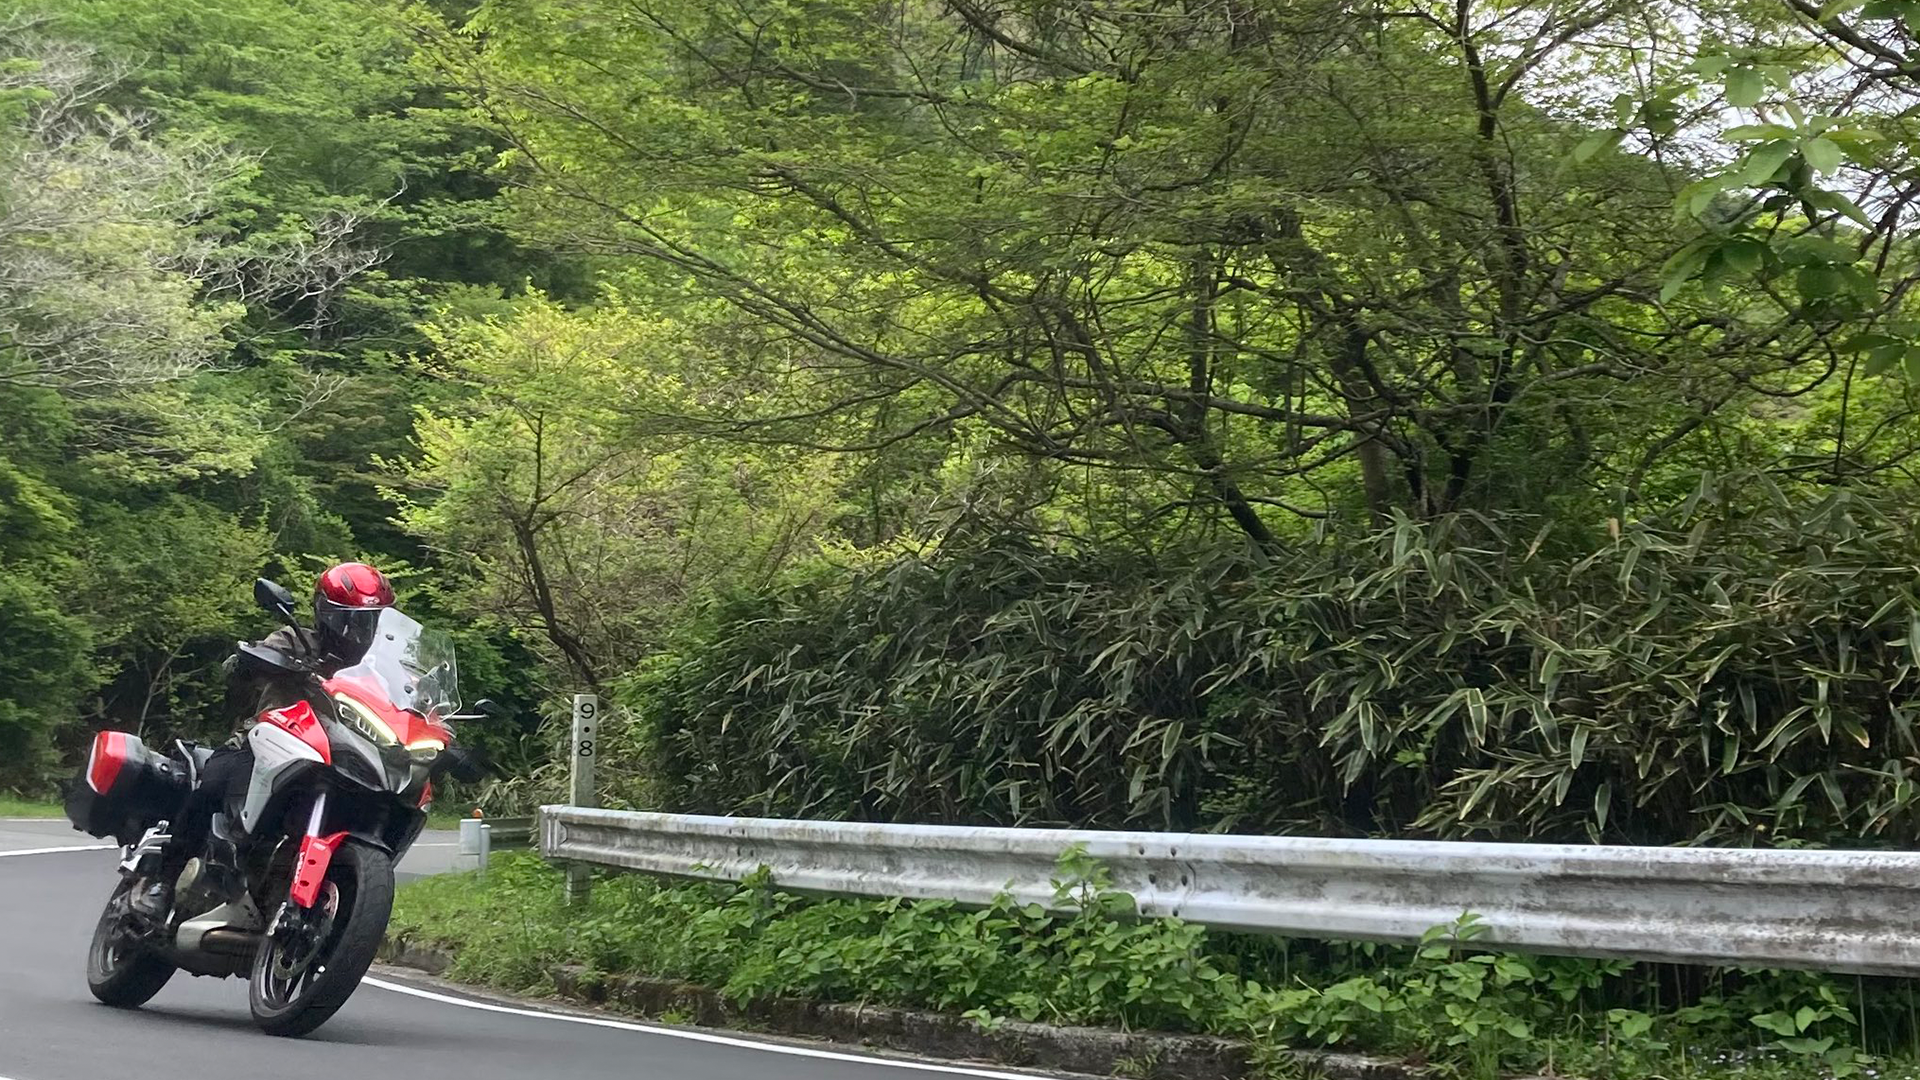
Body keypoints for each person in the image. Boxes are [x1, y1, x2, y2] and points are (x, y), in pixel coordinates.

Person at [134, 563, 396, 920]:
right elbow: (243, 665)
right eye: (351, 619)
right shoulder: (296, 640)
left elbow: (407, 704)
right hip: (270, 741)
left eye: (372, 620)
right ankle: (163, 880)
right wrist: (251, 661)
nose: (361, 630)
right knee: (213, 785)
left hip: (341, 756)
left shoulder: (378, 672)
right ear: (326, 613)